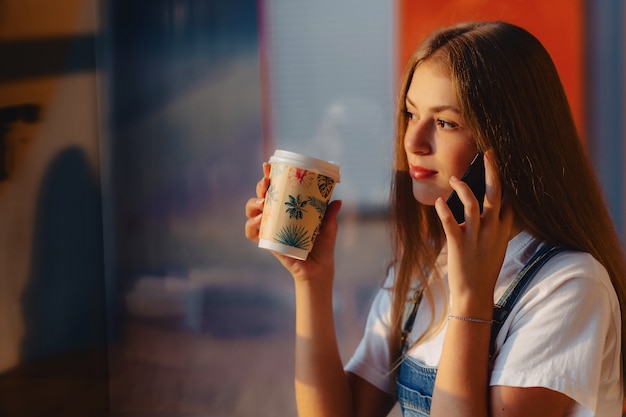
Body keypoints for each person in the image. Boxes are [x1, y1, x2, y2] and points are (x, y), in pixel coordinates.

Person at [244, 21, 626, 417]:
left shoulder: (567, 287)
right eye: (411, 114)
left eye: (445, 122)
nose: (412, 141)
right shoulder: (422, 269)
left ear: (510, 142)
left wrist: (469, 302)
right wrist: (312, 281)